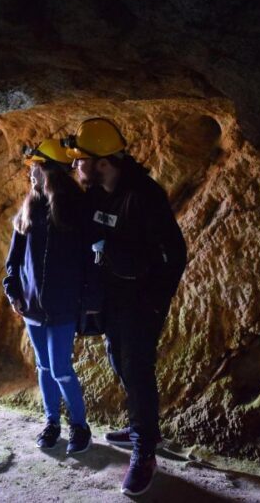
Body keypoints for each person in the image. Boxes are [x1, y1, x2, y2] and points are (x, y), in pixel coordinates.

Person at [63, 118, 187, 496]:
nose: (75, 165)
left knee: (136, 367)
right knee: (118, 359)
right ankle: (139, 426)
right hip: (113, 298)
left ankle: (145, 449)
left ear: (102, 162)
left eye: (81, 159)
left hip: (142, 301)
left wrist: (154, 302)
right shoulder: (97, 194)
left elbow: (174, 254)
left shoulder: (144, 196)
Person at [2, 139, 95, 455]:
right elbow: (14, 259)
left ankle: (80, 426)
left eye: (37, 167)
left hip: (63, 308)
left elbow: (89, 261)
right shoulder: (29, 208)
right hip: (32, 308)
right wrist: (13, 291)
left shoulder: (76, 211)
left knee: (60, 370)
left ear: (52, 171)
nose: (31, 174)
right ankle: (52, 422)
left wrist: (86, 302)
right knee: (44, 368)